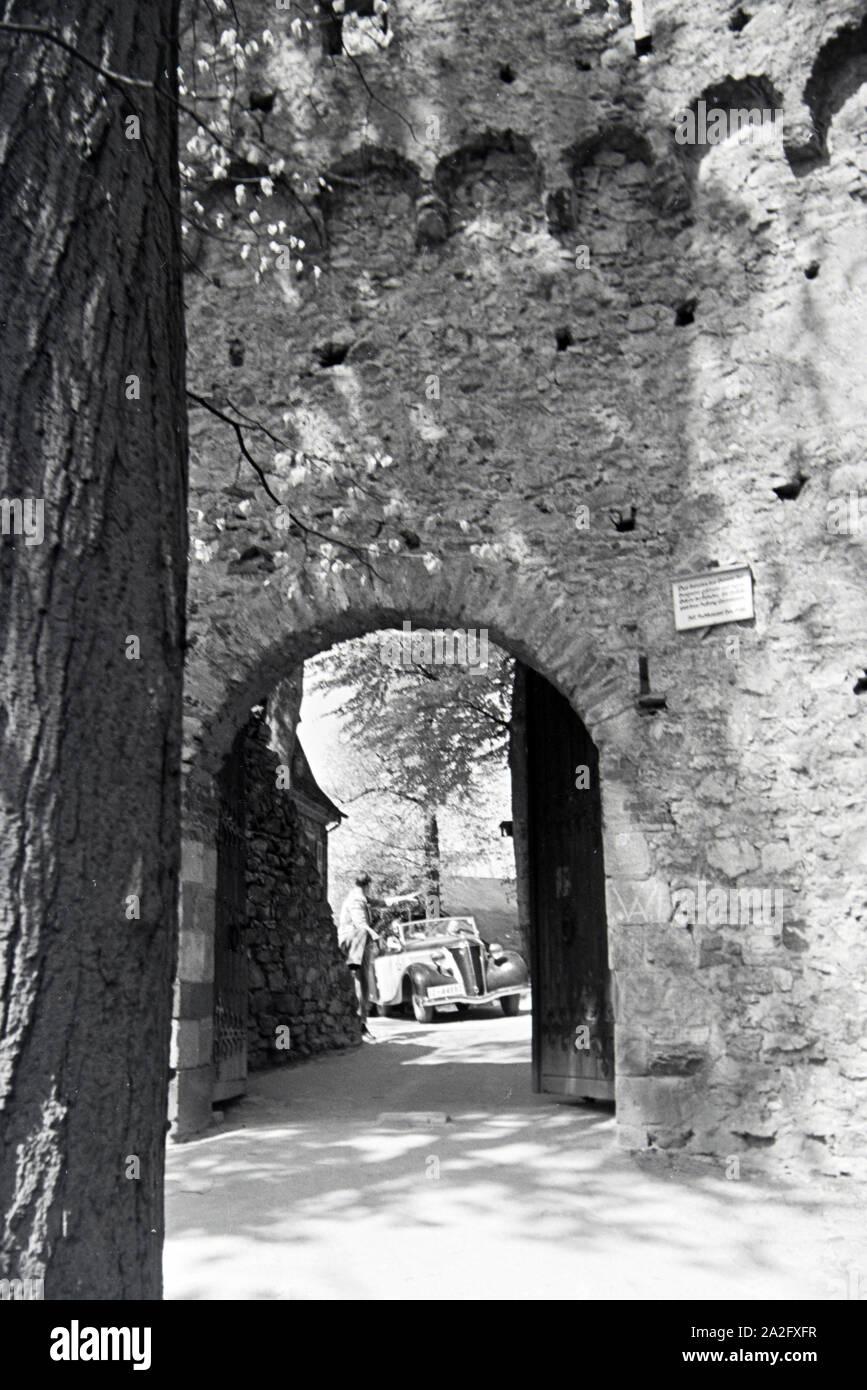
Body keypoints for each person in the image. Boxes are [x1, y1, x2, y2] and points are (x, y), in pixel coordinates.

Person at [338, 872, 383, 1041]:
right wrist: (375, 935)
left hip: (351, 943)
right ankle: (361, 1025)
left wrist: (404, 899)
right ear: (367, 885)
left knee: (358, 982)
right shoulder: (357, 900)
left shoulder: (357, 896)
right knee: (362, 983)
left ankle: (358, 1024)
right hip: (356, 944)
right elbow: (361, 924)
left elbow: (380, 902)